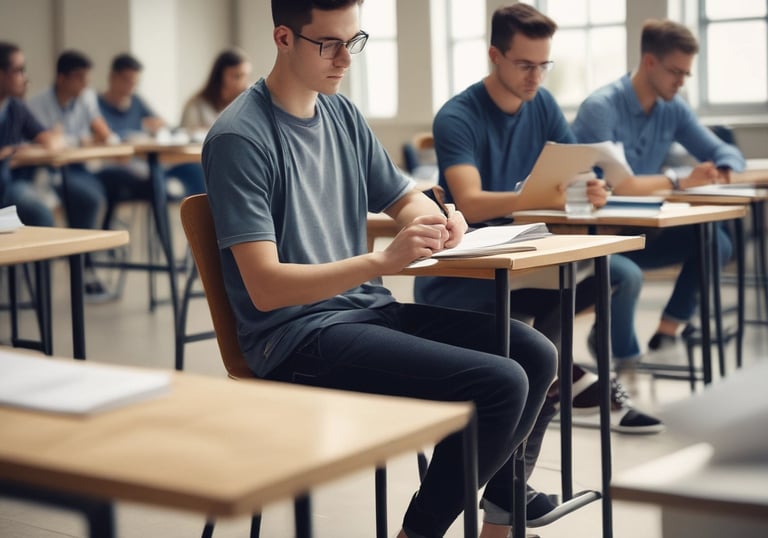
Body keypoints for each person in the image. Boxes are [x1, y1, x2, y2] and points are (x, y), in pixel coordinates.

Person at [203, 1, 559, 537]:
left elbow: (404, 197)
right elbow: (266, 287)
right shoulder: (242, 137)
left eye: (355, 40)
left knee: (534, 352)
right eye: (329, 43)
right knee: (502, 382)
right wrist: (384, 260)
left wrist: (436, 220)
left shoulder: (340, 113)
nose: (346, 59)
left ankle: (458, 521)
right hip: (294, 337)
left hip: (365, 312)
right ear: (282, 37)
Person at [413, 4, 663, 524]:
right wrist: (529, 194)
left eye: (544, 64)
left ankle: (556, 379)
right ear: (494, 56)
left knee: (615, 274)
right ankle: (515, 486)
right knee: (545, 347)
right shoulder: (458, 115)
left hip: (529, 264)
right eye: (525, 64)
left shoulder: (543, 103)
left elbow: (570, 174)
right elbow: (471, 200)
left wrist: (587, 187)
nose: (536, 76)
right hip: (467, 273)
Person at [571, 19, 745, 354]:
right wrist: (679, 179)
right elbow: (620, 186)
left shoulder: (672, 107)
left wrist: (723, 166)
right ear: (649, 61)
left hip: (647, 229)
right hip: (599, 235)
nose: (681, 82)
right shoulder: (601, 108)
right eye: (675, 72)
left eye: (686, 75)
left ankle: (668, 328)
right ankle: (621, 355)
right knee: (626, 282)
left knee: (715, 242)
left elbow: (722, 150)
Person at [26, 49, 116, 299]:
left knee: (96, 192)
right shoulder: (37, 104)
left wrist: (73, 139)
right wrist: (80, 139)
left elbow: (103, 133)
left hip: (78, 167)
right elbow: (47, 143)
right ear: (62, 78)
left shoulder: (86, 97)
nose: (85, 84)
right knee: (88, 197)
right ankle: (83, 267)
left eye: (87, 78)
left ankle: (84, 263)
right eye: (80, 77)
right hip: (47, 172)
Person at [97, 53, 205, 227]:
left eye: (135, 82)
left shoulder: (137, 101)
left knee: (196, 170)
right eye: (127, 81)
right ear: (113, 77)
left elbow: (163, 125)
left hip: (151, 163)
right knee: (157, 181)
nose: (131, 87)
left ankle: (202, 235)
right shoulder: (96, 105)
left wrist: (159, 126)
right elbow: (107, 139)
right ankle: (168, 251)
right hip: (118, 166)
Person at [0, 41, 63, 226]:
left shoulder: (15, 107)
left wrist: (14, 151)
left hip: (10, 183)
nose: (25, 78)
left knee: (42, 210)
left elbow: (51, 141)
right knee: (40, 214)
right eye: (18, 71)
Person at [179, 47, 251, 137]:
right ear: (220, 76)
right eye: (237, 76)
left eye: (246, 76)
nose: (244, 83)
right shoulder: (195, 105)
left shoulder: (248, 105)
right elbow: (187, 135)